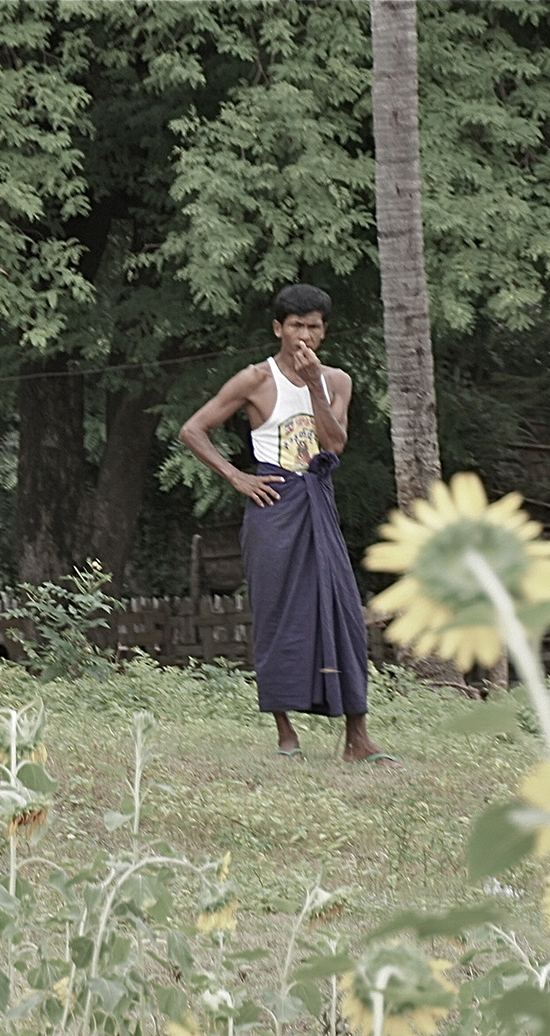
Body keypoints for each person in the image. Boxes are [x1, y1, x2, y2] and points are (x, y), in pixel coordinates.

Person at [178, 284, 395, 765]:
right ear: (279, 328)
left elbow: (334, 444)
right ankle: (286, 736)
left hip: (318, 496)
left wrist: (315, 383)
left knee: (340, 610)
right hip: (273, 501)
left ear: (324, 330)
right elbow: (193, 429)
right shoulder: (255, 379)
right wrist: (236, 476)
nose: (305, 335)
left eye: (314, 326)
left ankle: (357, 738)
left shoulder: (337, 380)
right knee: (277, 613)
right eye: (296, 325)